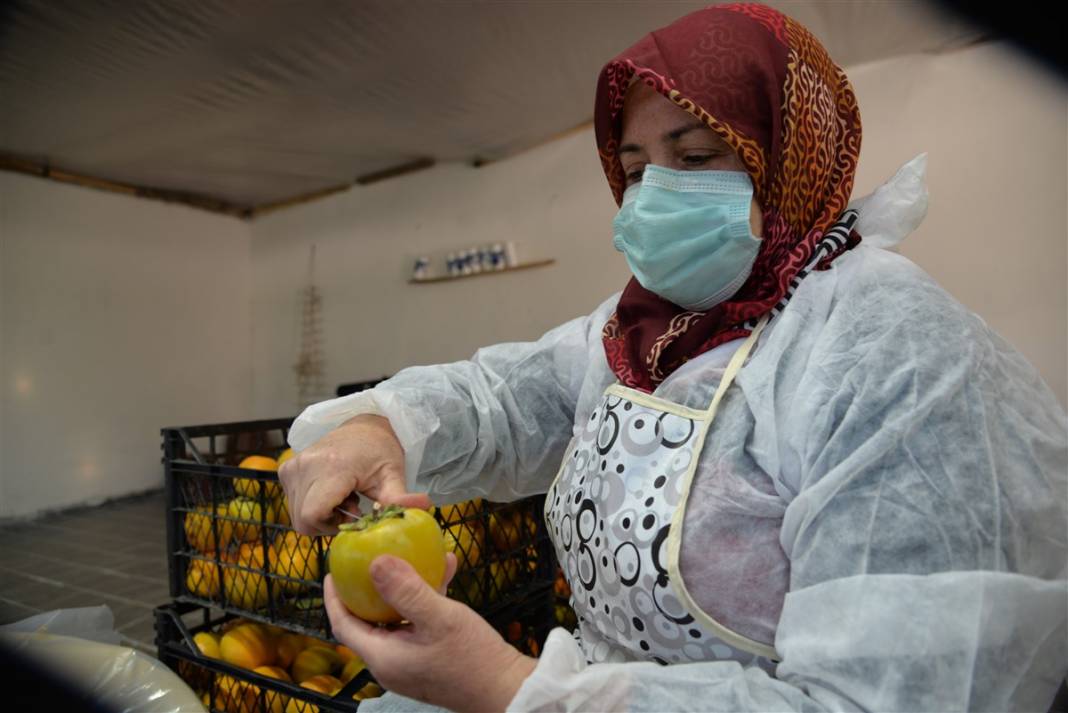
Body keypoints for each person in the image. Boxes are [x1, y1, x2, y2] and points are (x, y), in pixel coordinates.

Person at [279, 4, 1068, 711]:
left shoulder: (889, 349)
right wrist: (379, 427)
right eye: (632, 170)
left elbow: (888, 696)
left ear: (788, 157)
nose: (654, 196)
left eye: (694, 159)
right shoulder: (642, 330)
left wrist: (517, 691)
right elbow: (505, 399)